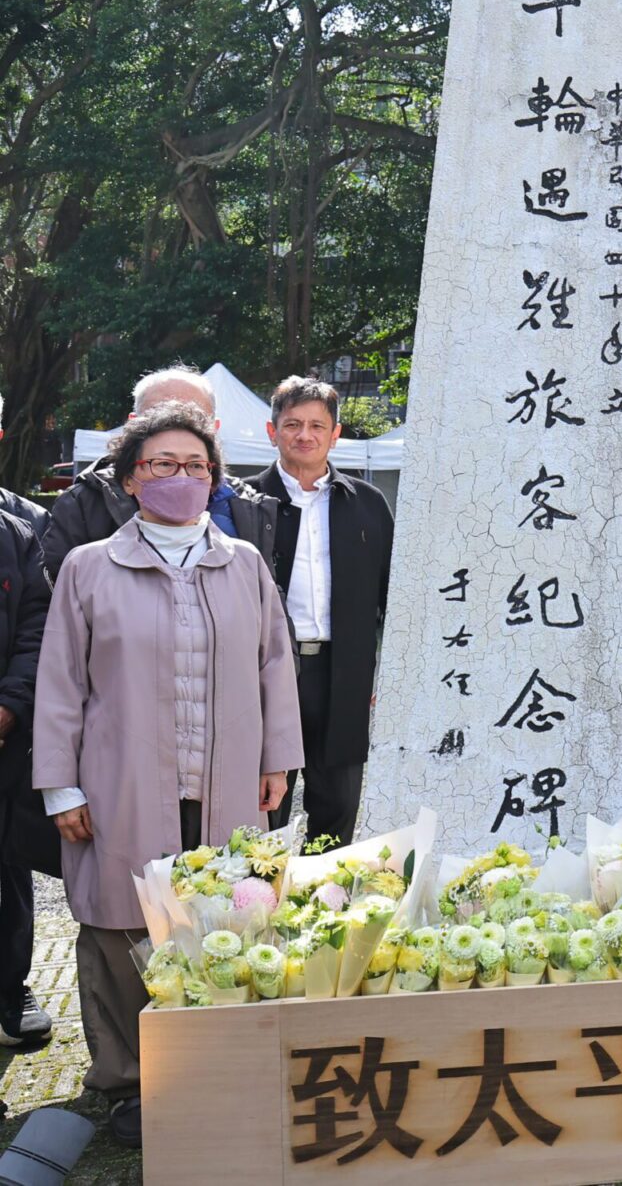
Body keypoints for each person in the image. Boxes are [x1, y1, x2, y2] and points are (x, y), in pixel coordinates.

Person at [34, 402, 299, 1147]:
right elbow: (60, 684)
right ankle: (125, 1083)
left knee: (228, 918)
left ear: (213, 479)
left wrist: (278, 759)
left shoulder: (242, 564)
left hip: (228, 780)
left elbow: (274, 667)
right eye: (161, 465)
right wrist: (62, 786)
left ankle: (221, 1067)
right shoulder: (90, 568)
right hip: (117, 782)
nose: (181, 477)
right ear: (127, 480)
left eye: (196, 466)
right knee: (118, 931)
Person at [253, 378, 393, 847]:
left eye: (317, 425)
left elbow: (390, 597)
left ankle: (327, 909)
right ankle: (257, 906)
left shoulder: (368, 504)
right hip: (267, 673)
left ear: (336, 435)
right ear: (272, 431)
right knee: (261, 805)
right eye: (292, 424)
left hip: (344, 672)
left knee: (337, 807)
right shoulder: (244, 503)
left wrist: (383, 674)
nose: (304, 435)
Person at [44, 365, 279, 580]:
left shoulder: (247, 505)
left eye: (193, 418)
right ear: (133, 426)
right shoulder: (85, 504)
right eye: (159, 417)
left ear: (214, 429)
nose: (176, 431)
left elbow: (267, 604)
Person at [0, 448, 47, 1054]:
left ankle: (11, 990)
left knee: (8, 871)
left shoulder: (20, 528)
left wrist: (12, 702)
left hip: (4, 735)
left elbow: (39, 624)